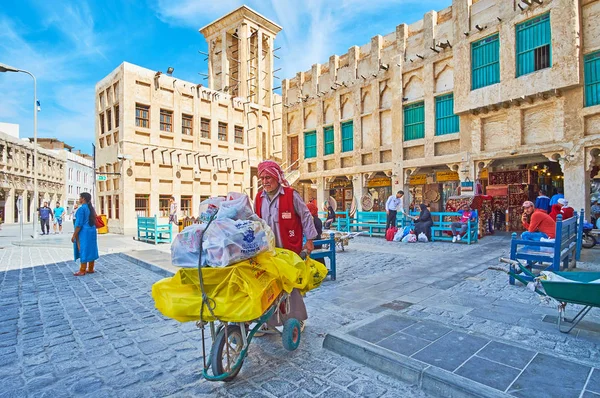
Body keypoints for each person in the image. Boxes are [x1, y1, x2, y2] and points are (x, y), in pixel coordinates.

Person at [254, 160, 318, 331]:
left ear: (276, 177)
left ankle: (297, 319)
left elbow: (305, 216)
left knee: (290, 287)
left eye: (268, 177)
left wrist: (310, 240)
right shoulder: (259, 198)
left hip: (289, 249)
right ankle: (269, 322)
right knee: (269, 286)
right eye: (262, 178)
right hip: (268, 252)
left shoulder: (290, 194)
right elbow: (255, 222)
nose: (265, 181)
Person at [72, 193, 99, 276]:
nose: (79, 199)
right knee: (91, 248)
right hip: (92, 230)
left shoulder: (81, 209)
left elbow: (78, 224)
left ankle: (82, 269)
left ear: (83, 198)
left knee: (83, 248)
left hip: (84, 232)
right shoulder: (91, 208)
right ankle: (91, 268)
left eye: (80, 197)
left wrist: (74, 235)